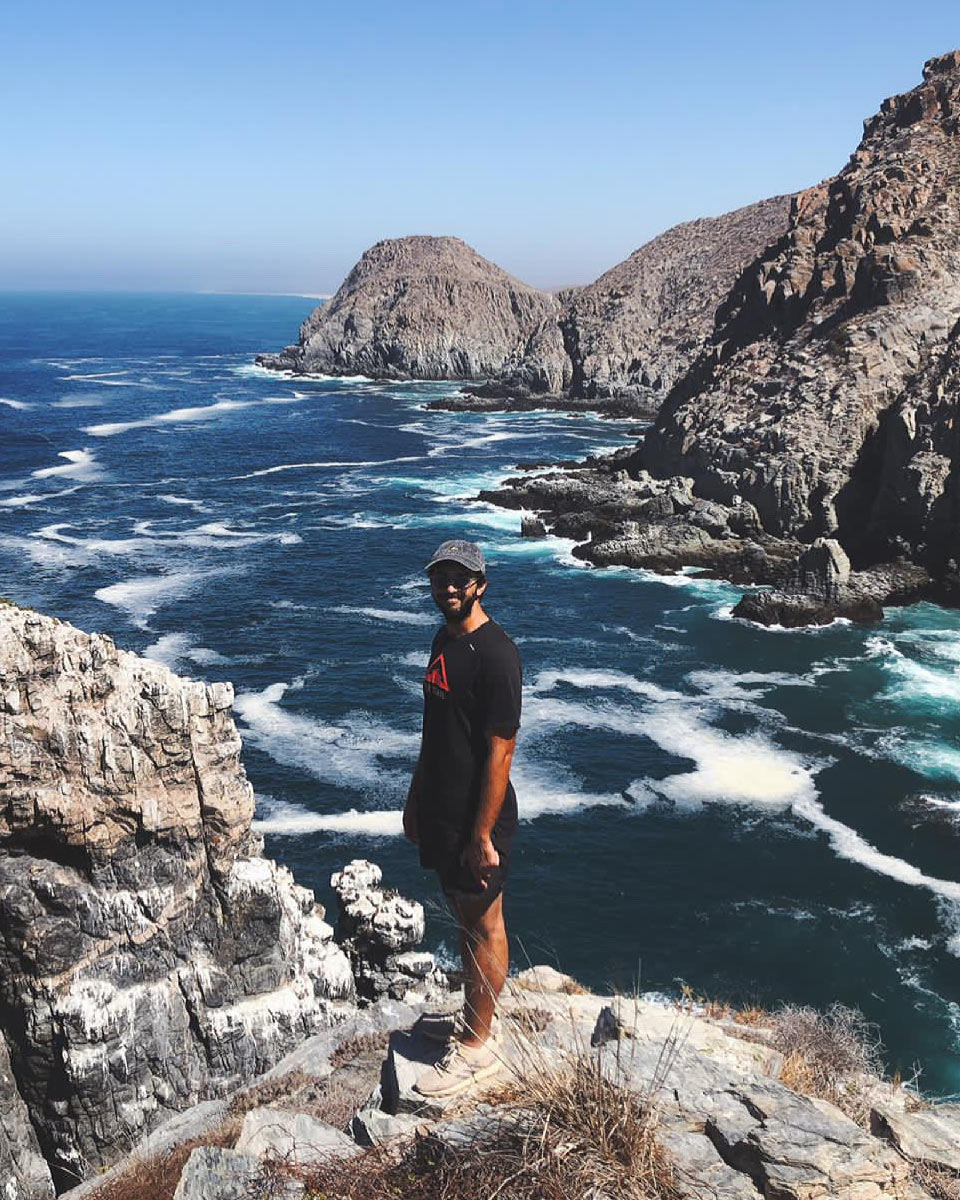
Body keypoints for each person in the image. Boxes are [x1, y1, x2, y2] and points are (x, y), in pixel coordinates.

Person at [403, 539, 521, 1098]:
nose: (448, 586)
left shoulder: (497, 655)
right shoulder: (444, 640)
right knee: (464, 919)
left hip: (479, 819)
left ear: (481, 584)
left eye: (460, 577)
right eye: (440, 578)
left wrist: (481, 834)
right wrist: (416, 799)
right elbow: (436, 735)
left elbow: (501, 751)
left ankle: (478, 1049)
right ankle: (475, 1021)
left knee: (484, 923)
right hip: (442, 809)